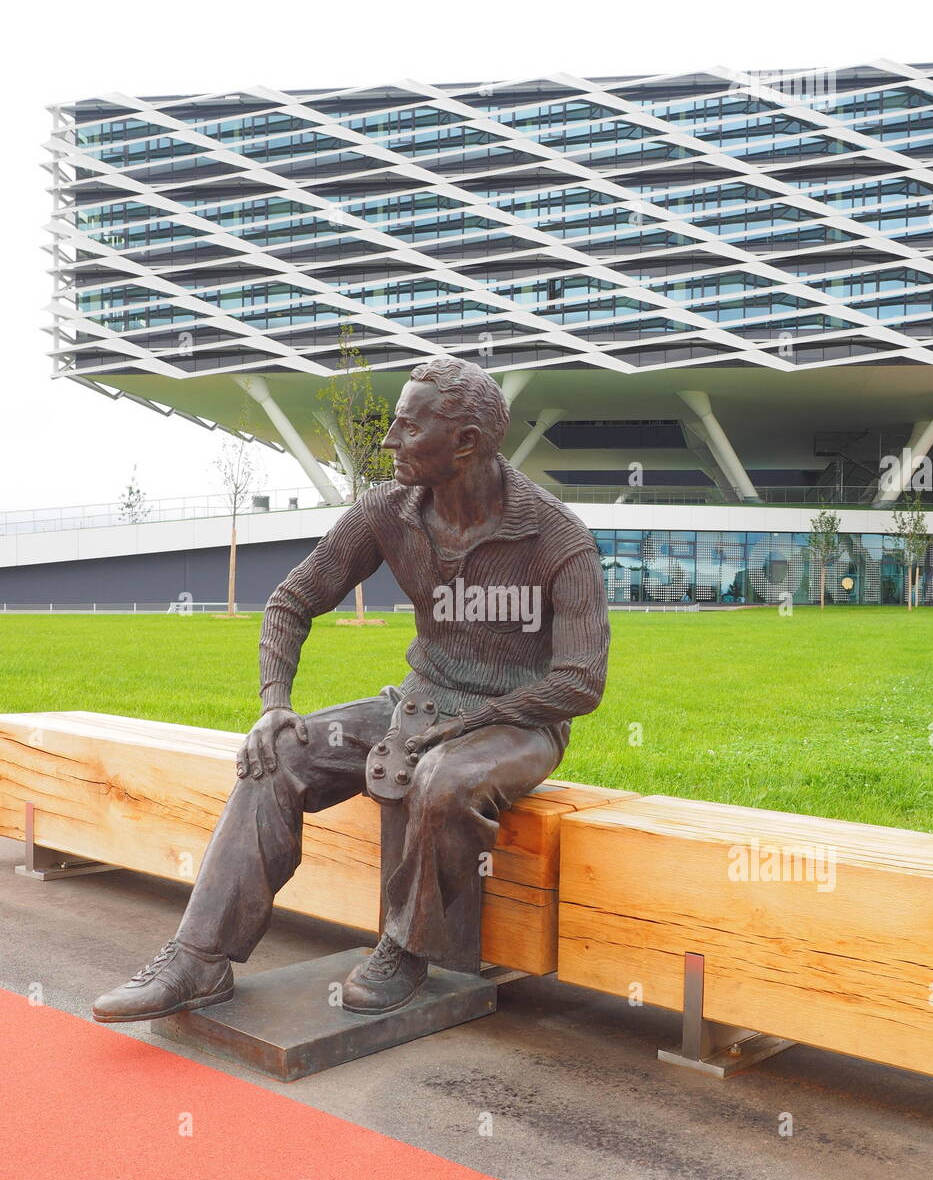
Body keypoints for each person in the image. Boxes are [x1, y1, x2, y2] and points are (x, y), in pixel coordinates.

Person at [92, 356, 610, 1021]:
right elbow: (292, 600)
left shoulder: (555, 536)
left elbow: (580, 682)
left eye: (407, 427)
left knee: (442, 781)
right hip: (418, 701)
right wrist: (275, 705)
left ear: (466, 442)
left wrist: (470, 725)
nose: (388, 442)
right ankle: (198, 959)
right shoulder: (386, 511)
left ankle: (404, 946)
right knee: (276, 756)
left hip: (519, 722)